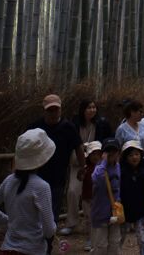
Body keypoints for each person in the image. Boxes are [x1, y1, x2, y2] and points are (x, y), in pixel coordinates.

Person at [0, 129, 58, 255]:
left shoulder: (9, 181)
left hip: (7, 249)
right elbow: (49, 230)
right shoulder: (41, 186)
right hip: (33, 249)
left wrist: (11, 224)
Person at [29, 94, 85, 234]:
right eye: (50, 110)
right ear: (44, 110)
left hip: (58, 176)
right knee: (35, 208)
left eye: (56, 110)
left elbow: (78, 147)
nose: (53, 113)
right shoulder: (35, 126)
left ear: (61, 110)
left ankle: (47, 241)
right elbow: (24, 148)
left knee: (53, 209)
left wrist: (82, 167)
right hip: (36, 174)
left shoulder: (68, 127)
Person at [69, 99, 114, 235]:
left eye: (94, 107)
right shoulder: (75, 123)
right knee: (73, 191)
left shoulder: (102, 123)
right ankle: (72, 222)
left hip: (96, 162)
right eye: (89, 107)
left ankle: (96, 222)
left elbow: (109, 139)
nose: (92, 110)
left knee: (95, 193)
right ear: (83, 109)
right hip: (78, 161)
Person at [119, 139, 144, 254]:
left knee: (142, 240)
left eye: (136, 154)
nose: (134, 157)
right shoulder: (122, 173)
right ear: (125, 157)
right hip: (124, 213)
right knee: (119, 239)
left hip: (140, 213)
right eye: (130, 155)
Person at [91, 138, 123, 255]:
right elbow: (96, 178)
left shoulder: (118, 167)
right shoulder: (99, 168)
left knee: (115, 243)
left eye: (114, 152)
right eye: (108, 152)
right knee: (101, 245)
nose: (111, 154)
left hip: (115, 212)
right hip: (101, 213)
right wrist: (104, 162)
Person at [115, 99, 144, 174]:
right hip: (128, 163)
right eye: (140, 112)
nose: (142, 114)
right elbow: (118, 149)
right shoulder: (121, 129)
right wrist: (117, 166)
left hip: (143, 161)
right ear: (132, 112)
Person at [81, 141, 103, 251]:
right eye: (93, 154)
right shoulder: (85, 168)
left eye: (98, 154)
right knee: (88, 219)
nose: (95, 157)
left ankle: (97, 240)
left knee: (98, 219)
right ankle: (89, 239)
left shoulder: (103, 168)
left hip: (98, 198)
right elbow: (80, 178)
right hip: (86, 197)